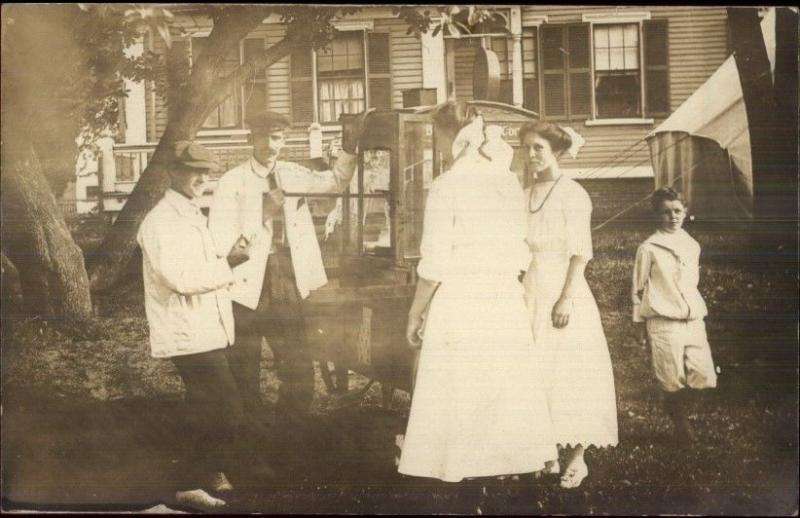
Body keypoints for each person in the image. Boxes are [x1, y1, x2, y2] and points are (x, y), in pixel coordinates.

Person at [398, 101, 557, 483]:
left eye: (437, 135)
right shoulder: (503, 180)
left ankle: (464, 465)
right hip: (502, 293)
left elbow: (435, 259)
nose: (436, 143)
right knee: (499, 378)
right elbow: (519, 244)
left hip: (464, 294)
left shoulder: (447, 184)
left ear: (449, 135)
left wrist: (415, 311)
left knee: (462, 380)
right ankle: (503, 463)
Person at [207, 110, 372, 421]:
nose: (270, 144)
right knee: (244, 371)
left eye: (277, 137)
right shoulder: (233, 182)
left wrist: (350, 146)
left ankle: (287, 436)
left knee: (298, 369)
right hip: (245, 285)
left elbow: (335, 182)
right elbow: (221, 243)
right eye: (263, 137)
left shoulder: (292, 173)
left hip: (287, 279)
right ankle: (251, 441)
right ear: (250, 139)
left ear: (284, 140)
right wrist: (263, 213)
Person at [137, 141, 254, 511]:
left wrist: (227, 253)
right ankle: (188, 482)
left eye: (206, 172)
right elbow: (181, 279)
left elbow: (202, 263)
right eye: (193, 171)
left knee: (208, 404)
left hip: (205, 326)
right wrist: (230, 263)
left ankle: (205, 471)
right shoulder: (159, 221)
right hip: (185, 330)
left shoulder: (190, 213)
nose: (202, 178)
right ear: (173, 173)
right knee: (225, 405)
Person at [519, 120, 618, 489]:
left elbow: (580, 253)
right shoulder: (525, 193)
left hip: (562, 286)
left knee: (570, 371)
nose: (530, 155)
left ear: (555, 151)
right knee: (535, 369)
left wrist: (565, 298)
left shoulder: (573, 194)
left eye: (538, 148)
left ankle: (577, 456)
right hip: (529, 285)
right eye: (526, 147)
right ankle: (545, 451)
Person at [632, 187, 717, 442]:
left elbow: (690, 283)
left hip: (692, 320)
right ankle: (681, 424)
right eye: (666, 212)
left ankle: (675, 406)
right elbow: (637, 287)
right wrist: (638, 322)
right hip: (663, 321)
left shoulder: (691, 245)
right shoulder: (649, 248)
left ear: (686, 211)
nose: (673, 217)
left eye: (677, 211)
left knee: (704, 376)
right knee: (671, 378)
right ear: (657, 215)